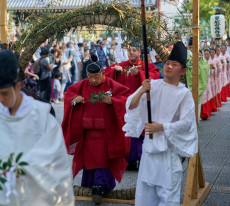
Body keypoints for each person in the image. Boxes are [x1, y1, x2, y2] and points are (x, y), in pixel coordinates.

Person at [0, 50, 74, 206]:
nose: (0, 99)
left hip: (32, 196)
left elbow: (55, 161)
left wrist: (22, 171)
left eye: (4, 93)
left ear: (18, 86)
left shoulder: (42, 117)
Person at [123, 41, 198, 206]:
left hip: (168, 153)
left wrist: (162, 127)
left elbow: (186, 123)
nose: (169, 66)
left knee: (167, 196)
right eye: (168, 63)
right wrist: (142, 90)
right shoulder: (152, 85)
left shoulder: (184, 94)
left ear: (183, 70)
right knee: (145, 195)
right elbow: (131, 105)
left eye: (174, 64)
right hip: (149, 152)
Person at [62, 62, 131, 204]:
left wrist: (113, 101)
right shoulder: (82, 85)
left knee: (102, 159)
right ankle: (91, 185)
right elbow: (69, 94)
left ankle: (100, 186)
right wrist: (75, 100)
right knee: (89, 160)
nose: (93, 80)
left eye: (96, 76)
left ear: (103, 73)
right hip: (87, 132)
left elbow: (127, 98)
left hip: (104, 133)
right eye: (90, 77)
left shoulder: (111, 85)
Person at [105, 42, 160, 170]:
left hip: (141, 105)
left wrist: (139, 74)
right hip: (124, 105)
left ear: (140, 52)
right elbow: (106, 74)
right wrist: (115, 72)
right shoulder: (121, 66)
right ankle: (127, 160)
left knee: (140, 131)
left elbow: (154, 78)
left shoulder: (147, 66)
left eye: (134, 50)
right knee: (126, 130)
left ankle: (141, 158)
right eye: (129, 50)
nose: (131, 53)